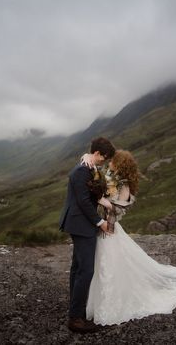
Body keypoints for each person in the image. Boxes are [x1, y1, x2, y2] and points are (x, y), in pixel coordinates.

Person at [81, 149, 176, 326]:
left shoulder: (124, 185)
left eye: (113, 160)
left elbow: (119, 209)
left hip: (109, 228)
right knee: (99, 263)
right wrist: (86, 157)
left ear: (119, 164)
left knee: (109, 264)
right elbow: (95, 175)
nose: (109, 162)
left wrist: (107, 217)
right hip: (99, 224)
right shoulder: (109, 175)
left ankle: (111, 301)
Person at [59, 137, 115, 333]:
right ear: (97, 153)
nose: (104, 162)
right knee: (86, 271)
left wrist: (102, 200)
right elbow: (83, 201)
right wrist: (100, 222)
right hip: (81, 225)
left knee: (77, 268)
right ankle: (75, 318)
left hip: (79, 224)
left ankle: (75, 307)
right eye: (104, 158)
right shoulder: (83, 170)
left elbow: (90, 195)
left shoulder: (87, 166)